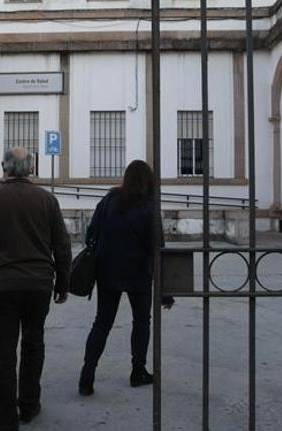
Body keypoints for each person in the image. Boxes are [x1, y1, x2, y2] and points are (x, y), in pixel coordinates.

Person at [0, 146, 72, 431]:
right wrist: (63, 283)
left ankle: (7, 419)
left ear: (4, 167)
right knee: (33, 344)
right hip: (39, 286)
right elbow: (62, 246)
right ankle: (29, 405)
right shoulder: (47, 200)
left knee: (2, 353)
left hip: (2, 287)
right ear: (33, 169)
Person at [78, 159, 169, 396]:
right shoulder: (149, 207)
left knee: (102, 323)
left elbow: (91, 234)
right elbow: (158, 248)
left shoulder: (109, 201)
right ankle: (138, 371)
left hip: (107, 272)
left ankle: (87, 376)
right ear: (148, 181)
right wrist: (164, 287)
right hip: (139, 274)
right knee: (141, 322)